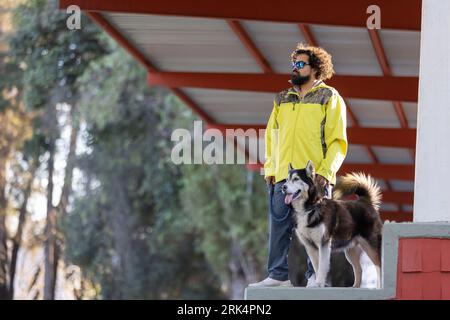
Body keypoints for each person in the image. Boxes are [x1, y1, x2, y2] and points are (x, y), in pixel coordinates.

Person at [250, 43, 348, 287]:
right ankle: (277, 275)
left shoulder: (329, 97)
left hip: (314, 178)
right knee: (280, 227)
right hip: (283, 175)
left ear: (315, 69)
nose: (295, 68)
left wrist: (325, 172)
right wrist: (271, 169)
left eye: (301, 64)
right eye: (294, 64)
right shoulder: (282, 98)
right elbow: (272, 136)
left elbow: (337, 141)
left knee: (315, 228)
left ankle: (317, 277)